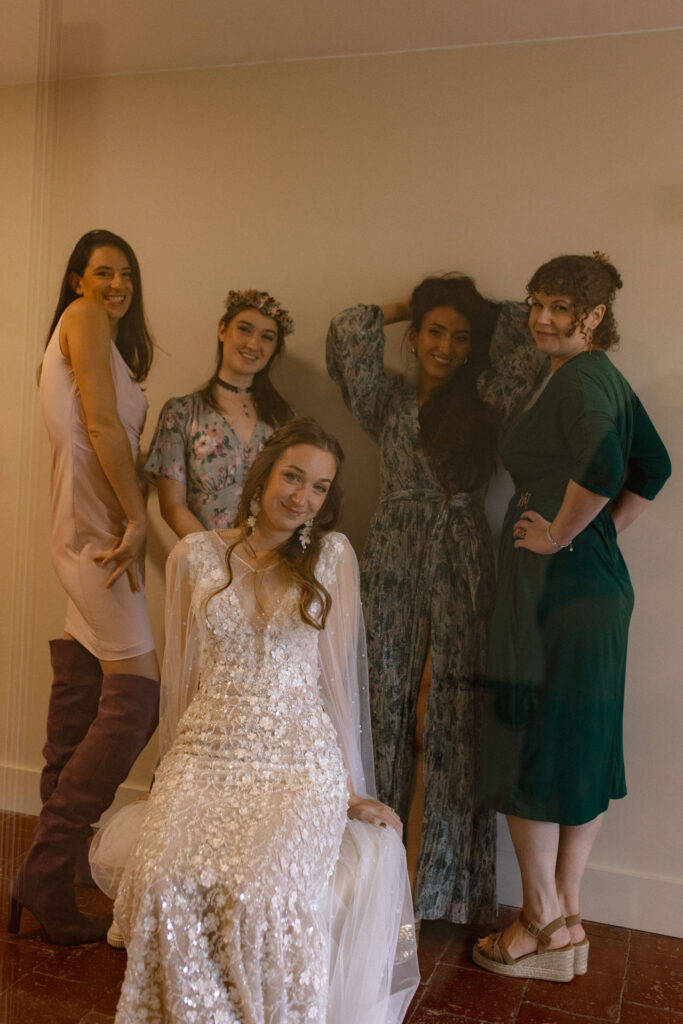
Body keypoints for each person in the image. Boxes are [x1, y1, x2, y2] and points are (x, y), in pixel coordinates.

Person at [91, 418, 419, 1023]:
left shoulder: (332, 557)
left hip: (298, 760)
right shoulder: (194, 556)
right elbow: (183, 682)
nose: (302, 496)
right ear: (263, 473)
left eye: (319, 487)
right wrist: (165, 779)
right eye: (293, 476)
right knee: (164, 880)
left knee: (265, 892)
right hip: (205, 754)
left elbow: (339, 686)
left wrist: (351, 792)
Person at [473, 254, 671, 982]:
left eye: (561, 307)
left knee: (525, 734)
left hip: (552, 588)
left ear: (594, 316)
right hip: (593, 587)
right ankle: (567, 917)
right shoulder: (597, 377)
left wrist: (560, 535)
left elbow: (606, 463)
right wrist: (596, 538)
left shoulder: (582, 380)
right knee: (577, 742)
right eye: (537, 303)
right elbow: (653, 467)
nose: (542, 318)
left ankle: (538, 923)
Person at [326, 276, 547, 924]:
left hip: (461, 558)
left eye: (460, 336)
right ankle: (371, 876)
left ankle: (433, 885)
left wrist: (478, 311)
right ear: (416, 335)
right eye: (434, 331)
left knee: (445, 718)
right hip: (394, 555)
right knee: (384, 707)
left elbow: (526, 337)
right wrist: (409, 304)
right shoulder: (386, 401)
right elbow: (348, 329)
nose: (445, 347)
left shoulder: (487, 398)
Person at [9, 229, 161, 945]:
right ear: (77, 280)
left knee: (80, 679)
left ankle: (59, 864)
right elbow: (99, 427)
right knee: (137, 700)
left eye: (126, 274)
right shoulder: (86, 317)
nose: (116, 285)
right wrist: (136, 521)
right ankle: (44, 869)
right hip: (100, 533)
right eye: (103, 272)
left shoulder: (94, 334)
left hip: (85, 523)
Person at [144, 288, 294, 536]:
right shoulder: (181, 413)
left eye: (267, 337)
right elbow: (172, 506)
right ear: (222, 330)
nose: (253, 344)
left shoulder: (284, 418)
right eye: (244, 329)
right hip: (206, 554)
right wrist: (216, 556)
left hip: (271, 554)